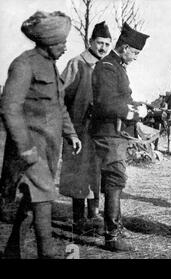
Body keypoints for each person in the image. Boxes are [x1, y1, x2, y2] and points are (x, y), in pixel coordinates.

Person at [0, 11, 81, 258]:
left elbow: (59, 106)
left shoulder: (50, 66)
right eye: (61, 43)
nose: (66, 48)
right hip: (29, 149)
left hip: (48, 148)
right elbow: (9, 108)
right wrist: (25, 148)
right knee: (44, 195)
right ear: (47, 43)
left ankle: (12, 251)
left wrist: (72, 134)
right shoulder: (24, 64)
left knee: (32, 202)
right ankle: (47, 253)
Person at [90, 22, 149, 251]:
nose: (135, 57)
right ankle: (112, 236)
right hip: (108, 134)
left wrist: (141, 106)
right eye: (134, 52)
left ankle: (116, 227)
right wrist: (133, 111)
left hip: (116, 134)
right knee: (114, 181)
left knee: (116, 180)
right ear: (124, 47)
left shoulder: (117, 66)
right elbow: (106, 103)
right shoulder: (107, 67)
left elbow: (123, 98)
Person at [59, 21, 112, 236]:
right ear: (90, 42)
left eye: (107, 44)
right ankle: (78, 220)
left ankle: (94, 217)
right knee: (78, 175)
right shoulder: (76, 63)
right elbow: (59, 96)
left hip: (99, 132)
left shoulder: (107, 66)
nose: (103, 48)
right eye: (99, 43)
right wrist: (69, 128)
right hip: (79, 130)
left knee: (96, 174)